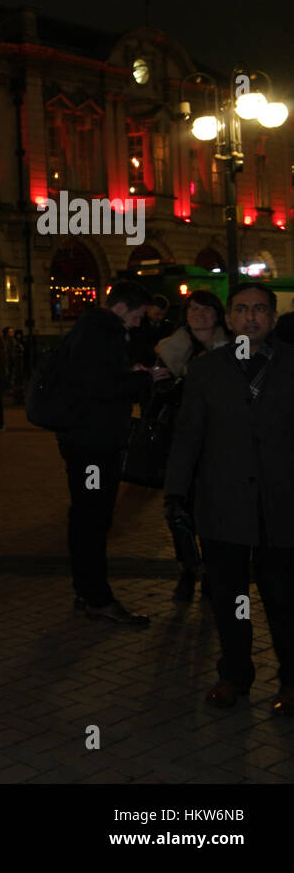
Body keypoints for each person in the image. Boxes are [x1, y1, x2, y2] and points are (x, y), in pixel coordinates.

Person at [164, 283, 294, 715]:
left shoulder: (291, 365)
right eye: (241, 309)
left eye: (260, 309)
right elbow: (188, 436)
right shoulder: (207, 370)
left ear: (273, 318)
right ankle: (234, 674)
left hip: (281, 505)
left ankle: (291, 682)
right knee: (229, 596)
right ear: (230, 318)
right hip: (223, 505)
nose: (251, 317)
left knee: (283, 598)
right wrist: (176, 493)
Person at [59, 281, 170, 625]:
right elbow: (99, 387)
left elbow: (95, 380)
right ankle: (97, 597)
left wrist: (129, 374)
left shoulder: (89, 329)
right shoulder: (101, 332)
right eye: (137, 316)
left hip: (83, 440)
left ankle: (86, 590)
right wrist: (145, 379)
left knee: (86, 516)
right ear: (121, 308)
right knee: (94, 516)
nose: (138, 323)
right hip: (94, 445)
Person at [153, 289, 230, 601]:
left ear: (218, 313)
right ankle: (187, 568)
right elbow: (157, 391)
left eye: (206, 309)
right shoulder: (171, 348)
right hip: (180, 439)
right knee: (179, 508)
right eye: (194, 309)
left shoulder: (233, 346)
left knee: (215, 509)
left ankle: (212, 571)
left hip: (222, 441)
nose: (200, 314)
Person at [129, 293, 173, 366]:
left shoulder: (168, 326)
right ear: (148, 309)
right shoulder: (137, 325)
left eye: (163, 314)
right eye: (157, 314)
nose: (160, 317)